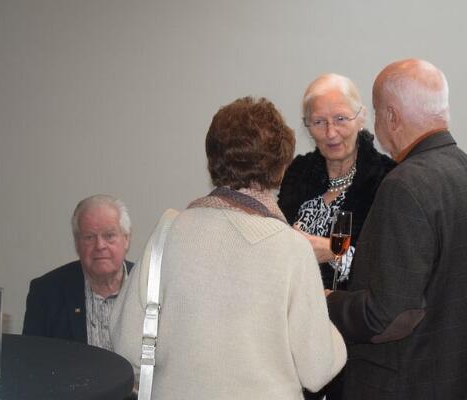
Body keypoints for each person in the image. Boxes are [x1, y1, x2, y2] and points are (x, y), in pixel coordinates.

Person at [111, 97, 346, 400]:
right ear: (280, 168)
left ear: (212, 161)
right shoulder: (291, 249)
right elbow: (318, 368)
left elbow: (127, 343)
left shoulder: (167, 233)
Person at [326, 59, 467, 400]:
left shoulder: (403, 185)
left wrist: (328, 301)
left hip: (405, 385)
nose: (375, 124)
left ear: (392, 116)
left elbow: (387, 315)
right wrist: (447, 321)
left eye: (377, 113)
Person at [278, 73, 396, 291]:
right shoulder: (298, 171)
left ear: (361, 118)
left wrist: (334, 251)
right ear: (307, 126)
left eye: (340, 119)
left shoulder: (387, 178)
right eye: (319, 122)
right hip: (292, 303)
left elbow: (392, 266)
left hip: (350, 308)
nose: (330, 133)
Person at [23, 194, 133, 350]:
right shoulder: (46, 292)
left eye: (109, 236)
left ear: (126, 239)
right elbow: (31, 357)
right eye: (89, 237)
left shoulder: (151, 287)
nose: (100, 245)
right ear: (77, 244)